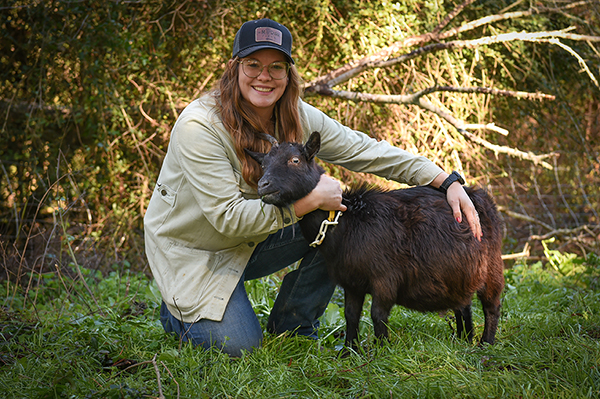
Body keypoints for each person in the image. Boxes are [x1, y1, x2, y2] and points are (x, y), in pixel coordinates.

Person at [144, 18, 482, 357]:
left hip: (253, 239)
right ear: (234, 68)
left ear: (288, 74)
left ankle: (295, 327)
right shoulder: (198, 127)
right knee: (240, 349)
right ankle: (178, 307)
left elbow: (365, 150)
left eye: (276, 67)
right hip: (197, 252)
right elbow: (228, 219)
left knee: (342, 223)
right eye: (253, 65)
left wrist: (444, 180)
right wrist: (306, 204)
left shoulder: (296, 116)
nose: (265, 76)